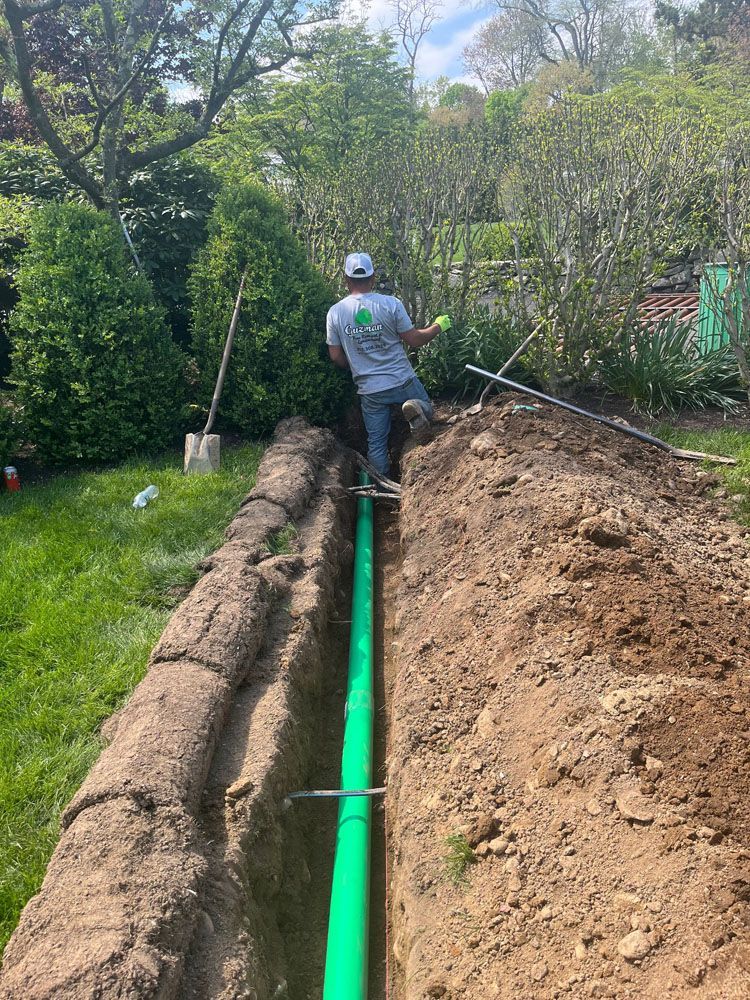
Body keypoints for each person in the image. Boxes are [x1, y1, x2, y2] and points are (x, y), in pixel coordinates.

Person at [326, 251, 451, 475]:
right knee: (428, 410)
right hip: (402, 380)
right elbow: (414, 340)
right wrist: (438, 326)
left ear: (346, 280)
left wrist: (355, 364)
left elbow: (335, 356)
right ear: (373, 278)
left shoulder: (336, 313)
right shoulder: (390, 304)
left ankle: (379, 493)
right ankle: (415, 407)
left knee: (376, 443)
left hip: (370, 390)